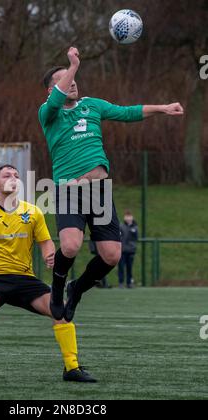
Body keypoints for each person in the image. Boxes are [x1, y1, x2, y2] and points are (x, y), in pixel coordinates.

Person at [38, 46, 184, 322]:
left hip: (99, 191)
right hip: (68, 189)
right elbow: (57, 97)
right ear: (50, 90)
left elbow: (127, 112)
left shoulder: (92, 105)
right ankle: (57, 289)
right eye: (63, 78)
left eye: (72, 77)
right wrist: (73, 66)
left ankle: (77, 289)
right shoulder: (48, 112)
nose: (72, 81)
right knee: (70, 246)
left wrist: (163, 108)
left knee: (112, 255)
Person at [0, 164, 96, 384]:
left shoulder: (33, 212)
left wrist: (50, 256)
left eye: (16, 176)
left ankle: (71, 367)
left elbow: (46, 242)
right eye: (7, 175)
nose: (13, 178)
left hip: (24, 278)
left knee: (61, 309)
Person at [118, 211, 138, 289]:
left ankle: (129, 283)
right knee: (121, 267)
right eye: (127, 216)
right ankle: (121, 282)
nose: (128, 218)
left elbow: (136, 238)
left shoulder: (135, 227)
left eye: (130, 216)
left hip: (131, 250)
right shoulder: (121, 226)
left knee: (129, 268)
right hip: (122, 250)